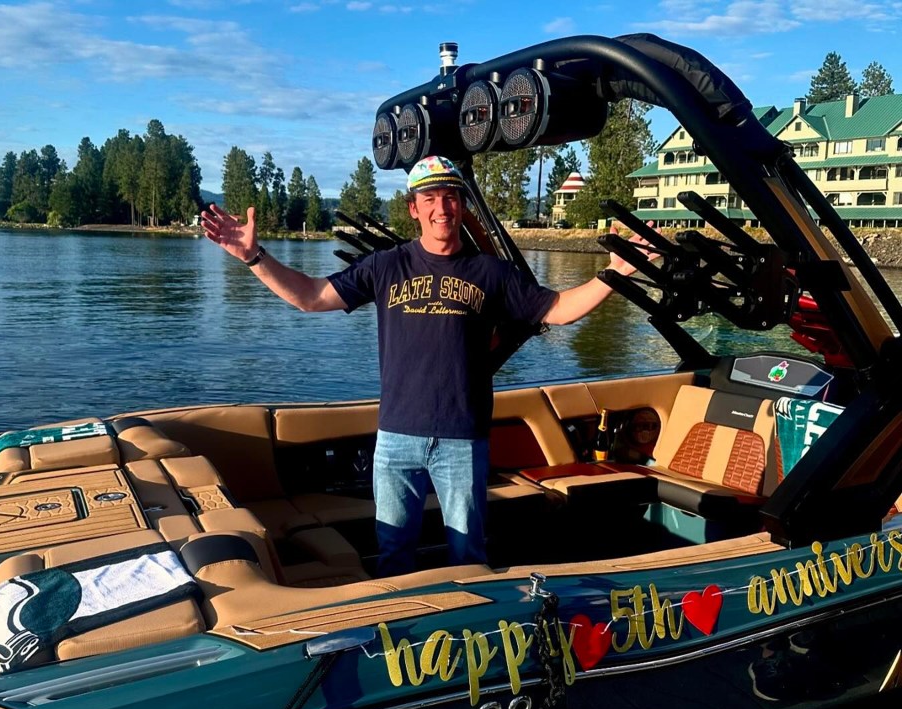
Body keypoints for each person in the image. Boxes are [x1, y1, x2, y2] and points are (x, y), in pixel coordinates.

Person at [201, 155, 655, 577]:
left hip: (463, 439)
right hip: (396, 438)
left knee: (469, 556)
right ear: (413, 207)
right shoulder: (385, 266)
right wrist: (254, 258)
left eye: (451, 196)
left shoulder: (490, 273)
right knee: (393, 554)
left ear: (461, 204)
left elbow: (557, 309)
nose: (442, 208)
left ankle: (471, 647)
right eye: (430, 198)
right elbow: (310, 297)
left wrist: (614, 272)